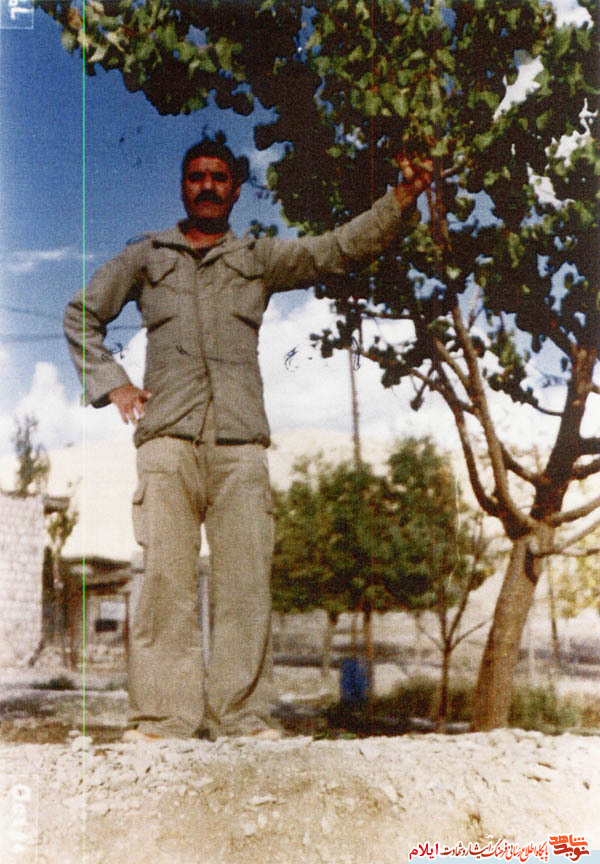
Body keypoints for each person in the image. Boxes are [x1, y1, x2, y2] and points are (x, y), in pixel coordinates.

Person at [64, 134, 432, 741]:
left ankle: (240, 718)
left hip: (240, 446)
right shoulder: (146, 256)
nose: (207, 186)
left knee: (245, 586)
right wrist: (114, 385)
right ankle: (162, 721)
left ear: (236, 190)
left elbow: (334, 251)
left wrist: (401, 199)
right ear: (183, 187)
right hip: (167, 442)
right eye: (196, 177)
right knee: (165, 585)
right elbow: (81, 313)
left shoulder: (257, 258)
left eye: (219, 177)